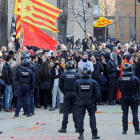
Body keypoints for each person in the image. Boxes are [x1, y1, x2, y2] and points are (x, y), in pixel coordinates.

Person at [75, 67, 100, 140]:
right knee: (92, 117)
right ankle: (94, 134)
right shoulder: (93, 82)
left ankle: (81, 134)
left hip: (81, 100)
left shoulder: (78, 82)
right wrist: (96, 101)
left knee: (80, 117)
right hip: (90, 101)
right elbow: (98, 94)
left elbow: (76, 91)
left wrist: (78, 98)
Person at [117, 63, 140, 135]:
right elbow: (138, 88)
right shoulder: (135, 78)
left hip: (124, 97)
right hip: (133, 97)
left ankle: (124, 130)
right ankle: (136, 130)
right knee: (135, 114)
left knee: (125, 114)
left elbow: (120, 88)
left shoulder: (120, 79)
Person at [58, 61, 79, 133]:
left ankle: (64, 128)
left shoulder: (63, 75)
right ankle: (77, 128)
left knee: (66, 111)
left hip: (67, 93)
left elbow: (60, 85)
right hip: (74, 93)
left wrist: (64, 92)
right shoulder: (76, 75)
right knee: (75, 111)